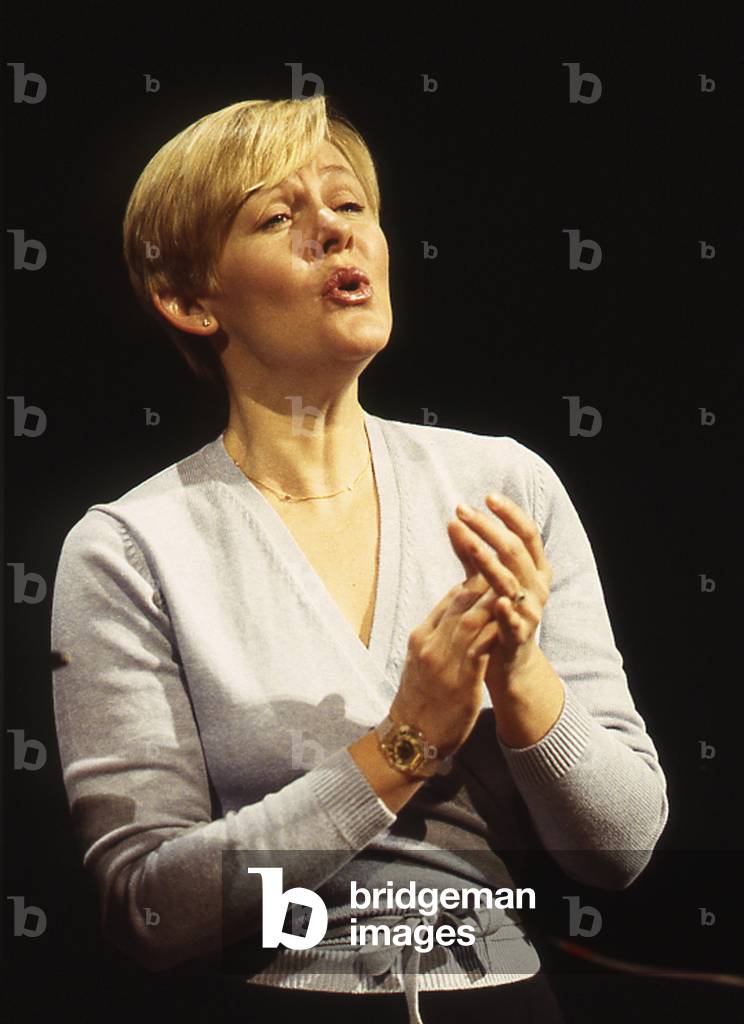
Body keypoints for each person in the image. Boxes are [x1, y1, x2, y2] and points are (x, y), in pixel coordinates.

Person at [50, 95, 669, 1024]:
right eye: (277, 216)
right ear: (189, 299)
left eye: (350, 206)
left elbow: (620, 849)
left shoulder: (502, 488)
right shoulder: (132, 548)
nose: (335, 232)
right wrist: (404, 743)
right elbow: (148, 907)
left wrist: (521, 672)